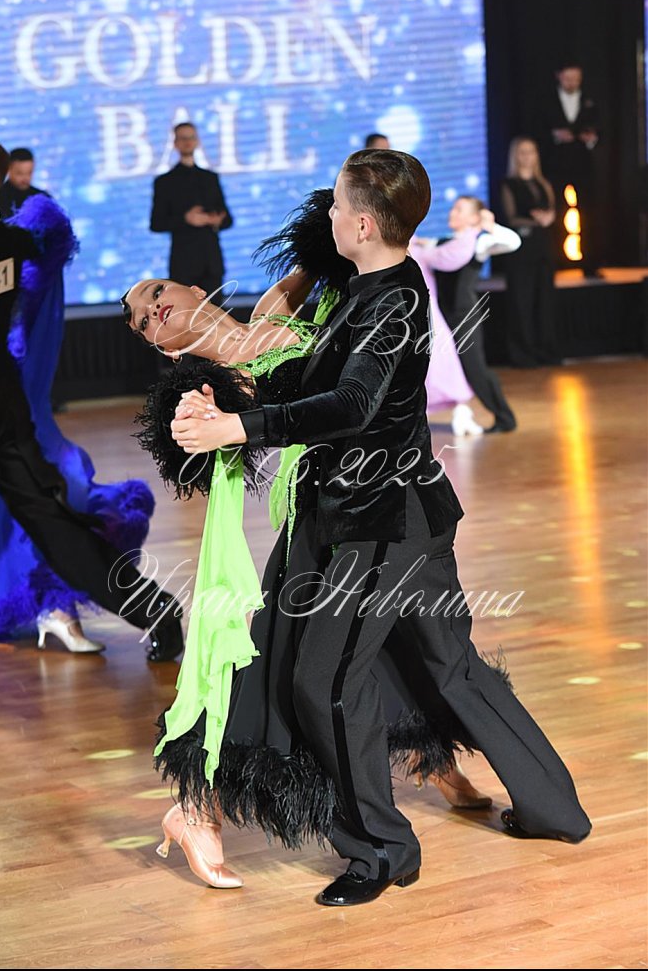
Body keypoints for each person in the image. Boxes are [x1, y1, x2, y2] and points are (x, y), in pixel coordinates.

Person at [170, 150, 591, 906]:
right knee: (453, 668)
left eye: (336, 206)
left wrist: (238, 427)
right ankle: (555, 808)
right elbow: (319, 377)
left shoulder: (389, 302)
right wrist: (234, 400)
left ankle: (383, 852)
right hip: (410, 515)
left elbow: (351, 405)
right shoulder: (372, 290)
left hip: (380, 524)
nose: (326, 216)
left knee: (323, 681)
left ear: (363, 224)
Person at [125, 189, 496, 888]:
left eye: (156, 293)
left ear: (195, 289)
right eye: (143, 321)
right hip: (313, 525)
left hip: (367, 504)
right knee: (272, 663)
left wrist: (355, 211)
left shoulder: (276, 308)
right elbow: (214, 452)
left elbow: (337, 251)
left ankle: (429, 758)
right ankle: (197, 808)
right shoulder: (204, 388)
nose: (152, 311)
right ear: (158, 345)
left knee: (384, 643)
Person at [0, 138, 182, 663]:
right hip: (2, 406)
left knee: (52, 525)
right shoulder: (11, 243)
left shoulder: (2, 242)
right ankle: (155, 610)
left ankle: (154, 611)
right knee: (51, 524)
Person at [435, 196, 520, 433]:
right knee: (448, 368)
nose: (452, 213)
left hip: (465, 315)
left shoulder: (479, 243)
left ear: (474, 218)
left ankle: (505, 418)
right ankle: (463, 416)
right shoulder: (444, 242)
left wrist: (491, 226)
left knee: (475, 370)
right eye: (453, 208)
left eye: (459, 209)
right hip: (442, 316)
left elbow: (513, 242)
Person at [409, 227, 484, 435]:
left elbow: (451, 256)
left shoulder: (419, 250)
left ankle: (461, 412)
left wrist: (471, 233)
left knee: (440, 362)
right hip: (409, 314)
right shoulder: (413, 251)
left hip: (425, 314)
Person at [150, 122, 233, 306]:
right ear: (175, 143)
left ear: (197, 141)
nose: (188, 142)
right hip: (184, 263)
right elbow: (156, 223)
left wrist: (216, 220)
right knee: (185, 314)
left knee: (215, 314)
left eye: (191, 137)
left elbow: (227, 219)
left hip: (211, 260)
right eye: (183, 138)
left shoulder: (210, 178)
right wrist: (186, 219)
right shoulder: (165, 182)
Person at [500, 137, 559, 367]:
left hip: (543, 247)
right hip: (520, 249)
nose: (527, 156)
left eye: (531, 151)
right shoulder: (509, 184)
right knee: (521, 301)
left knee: (544, 300)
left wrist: (548, 217)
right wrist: (536, 221)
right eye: (523, 152)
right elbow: (510, 217)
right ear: (515, 156)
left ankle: (546, 350)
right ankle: (523, 353)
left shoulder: (543, 183)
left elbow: (552, 209)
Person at [538, 61, 601, 276]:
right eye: (568, 78)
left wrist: (591, 138)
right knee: (555, 211)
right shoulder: (546, 101)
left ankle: (590, 264)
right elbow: (537, 129)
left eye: (576, 79)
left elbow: (601, 128)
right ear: (559, 76)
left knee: (588, 214)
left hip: (583, 167)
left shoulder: (591, 99)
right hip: (555, 166)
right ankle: (555, 262)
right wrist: (555, 136)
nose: (572, 83)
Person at [0, 147, 48, 219]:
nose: (25, 178)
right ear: (8, 169)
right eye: (20, 173)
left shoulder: (43, 198)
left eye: (29, 173)